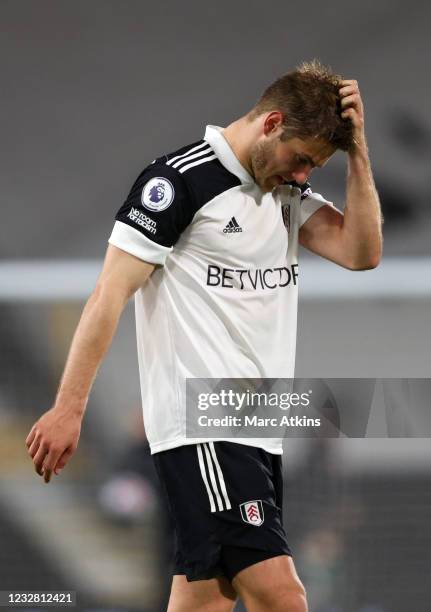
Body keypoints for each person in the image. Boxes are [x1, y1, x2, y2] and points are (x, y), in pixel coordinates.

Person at [25, 60, 382, 612]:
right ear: (272, 124)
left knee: (204, 599)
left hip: (259, 433)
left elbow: (362, 252)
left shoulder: (282, 194)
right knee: (282, 595)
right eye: (303, 159)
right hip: (203, 428)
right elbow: (107, 295)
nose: (305, 174)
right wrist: (68, 408)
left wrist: (358, 152)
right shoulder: (177, 182)